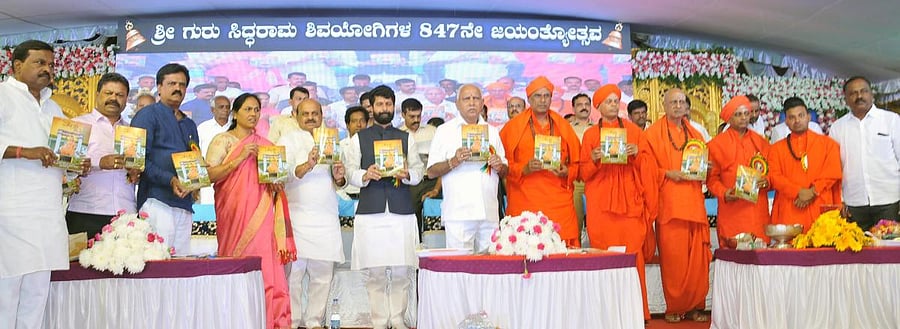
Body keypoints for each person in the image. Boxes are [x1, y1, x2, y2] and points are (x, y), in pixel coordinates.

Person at [206, 93, 296, 329]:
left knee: (265, 266)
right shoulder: (222, 140)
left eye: (257, 110)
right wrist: (240, 158)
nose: (253, 114)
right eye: (247, 109)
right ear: (235, 113)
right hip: (233, 213)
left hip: (263, 214)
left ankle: (267, 320)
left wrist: (277, 185)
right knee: (236, 263)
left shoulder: (266, 146)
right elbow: (209, 175)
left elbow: (277, 179)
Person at [0, 39, 69, 329]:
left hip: (48, 211)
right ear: (16, 66)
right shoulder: (3, 95)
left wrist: (77, 164)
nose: (47, 69)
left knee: (38, 291)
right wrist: (23, 151)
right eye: (39, 63)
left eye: (51, 64)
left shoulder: (54, 107)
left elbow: (65, 152)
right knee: (7, 291)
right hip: (11, 211)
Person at [345, 85, 424, 329]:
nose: (384, 109)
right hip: (371, 212)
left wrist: (408, 173)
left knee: (401, 271)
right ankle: (379, 320)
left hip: (401, 210)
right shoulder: (358, 138)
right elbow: (349, 172)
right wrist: (365, 174)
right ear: (372, 108)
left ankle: (398, 319)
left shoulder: (406, 137)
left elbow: (419, 171)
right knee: (377, 273)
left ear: (394, 107)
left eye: (388, 104)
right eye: (379, 104)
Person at [579, 84, 653, 321]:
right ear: (598, 106)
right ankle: (606, 315)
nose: (612, 104)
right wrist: (592, 158)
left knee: (633, 257)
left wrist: (637, 154)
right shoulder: (590, 135)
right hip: (601, 206)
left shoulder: (634, 131)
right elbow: (583, 173)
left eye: (615, 101)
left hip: (630, 204)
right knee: (604, 257)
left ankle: (637, 312)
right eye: (607, 101)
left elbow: (649, 167)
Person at [642, 88, 710, 323]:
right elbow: (647, 170)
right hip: (669, 205)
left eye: (682, 102)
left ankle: (695, 306)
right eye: (674, 102)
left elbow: (702, 167)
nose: (678, 106)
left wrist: (705, 169)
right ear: (664, 105)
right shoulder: (652, 135)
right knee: (674, 260)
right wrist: (668, 173)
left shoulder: (696, 135)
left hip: (693, 203)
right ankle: (675, 306)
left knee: (697, 261)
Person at [278, 99, 346, 329]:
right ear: (295, 115)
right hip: (297, 217)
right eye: (305, 113)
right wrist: (307, 164)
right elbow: (284, 174)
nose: (310, 117)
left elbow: (340, 182)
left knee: (323, 275)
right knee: (294, 275)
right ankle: (294, 321)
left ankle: (315, 321)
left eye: (314, 113)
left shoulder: (331, 139)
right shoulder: (286, 140)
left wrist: (339, 176)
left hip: (325, 216)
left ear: (321, 115)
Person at [499, 76, 581, 247]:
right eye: (538, 96)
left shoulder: (563, 126)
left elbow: (578, 165)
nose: (543, 100)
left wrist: (566, 171)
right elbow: (501, 167)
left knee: (562, 255)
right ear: (529, 99)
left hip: (558, 202)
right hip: (524, 201)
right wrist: (524, 169)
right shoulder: (512, 127)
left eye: (547, 96)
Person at [426, 84, 508, 252]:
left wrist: (499, 166)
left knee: (491, 269)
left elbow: (505, 171)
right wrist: (453, 161)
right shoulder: (444, 131)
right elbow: (431, 171)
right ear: (457, 104)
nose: (472, 103)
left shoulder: (492, 131)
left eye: (476, 98)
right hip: (458, 214)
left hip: (489, 213)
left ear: (482, 102)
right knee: (460, 269)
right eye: (466, 99)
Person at [130, 63, 199, 256]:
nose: (178, 88)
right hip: (157, 202)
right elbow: (139, 160)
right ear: (159, 87)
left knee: (181, 266)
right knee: (157, 264)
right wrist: (170, 180)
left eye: (182, 84)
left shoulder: (189, 124)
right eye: (172, 83)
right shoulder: (147, 115)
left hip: (184, 205)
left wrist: (198, 176)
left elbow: (193, 161)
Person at [67, 73, 140, 237]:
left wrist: (136, 171)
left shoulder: (133, 132)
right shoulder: (77, 125)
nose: (114, 98)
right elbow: (63, 166)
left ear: (127, 99)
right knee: (81, 262)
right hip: (86, 210)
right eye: (109, 93)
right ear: (97, 94)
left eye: (120, 95)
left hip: (125, 212)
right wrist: (98, 163)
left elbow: (138, 168)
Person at [830, 76, 900, 228]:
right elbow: (834, 168)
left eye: (863, 91)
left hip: (889, 200)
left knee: (888, 249)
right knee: (856, 249)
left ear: (871, 94)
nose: (859, 96)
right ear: (846, 99)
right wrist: (839, 200)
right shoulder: (837, 127)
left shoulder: (891, 120)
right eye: (853, 93)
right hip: (854, 202)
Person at [769, 97, 842, 232]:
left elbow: (833, 172)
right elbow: (774, 176)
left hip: (820, 207)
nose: (797, 121)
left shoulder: (828, 144)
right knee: (791, 250)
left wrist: (812, 192)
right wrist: (797, 192)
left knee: (822, 247)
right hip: (791, 208)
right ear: (786, 121)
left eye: (801, 115)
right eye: (792, 117)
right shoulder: (776, 149)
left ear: (808, 117)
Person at [706, 96, 771, 246]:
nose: (743, 118)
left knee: (759, 256)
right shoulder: (716, 145)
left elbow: (772, 172)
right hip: (732, 211)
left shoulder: (761, 142)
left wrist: (766, 180)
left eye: (746, 113)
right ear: (729, 118)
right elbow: (711, 179)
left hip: (757, 211)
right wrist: (724, 193)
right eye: (738, 114)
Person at [400, 98, 437, 237]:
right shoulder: (398, 134)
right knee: (411, 216)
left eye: (418, 116)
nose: (416, 120)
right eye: (411, 117)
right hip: (410, 183)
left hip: (431, 179)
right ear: (403, 115)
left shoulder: (432, 131)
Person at [196, 95, 231, 204]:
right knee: (209, 211)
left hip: (231, 176)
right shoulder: (203, 128)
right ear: (212, 110)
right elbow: (196, 153)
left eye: (227, 107)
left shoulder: (235, 128)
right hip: (208, 176)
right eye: (221, 107)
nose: (225, 110)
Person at [569, 93, 593, 243]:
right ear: (573, 108)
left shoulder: (599, 129)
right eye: (580, 105)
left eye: (586, 105)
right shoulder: (567, 129)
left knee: (597, 221)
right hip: (575, 180)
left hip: (595, 179)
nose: (584, 108)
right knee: (575, 221)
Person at [338, 106, 370, 199]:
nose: (358, 125)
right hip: (345, 197)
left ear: (367, 124)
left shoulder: (373, 145)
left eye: (362, 121)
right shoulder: (340, 146)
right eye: (354, 121)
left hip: (369, 196)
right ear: (347, 125)